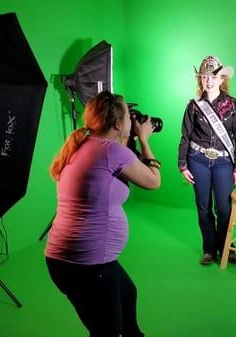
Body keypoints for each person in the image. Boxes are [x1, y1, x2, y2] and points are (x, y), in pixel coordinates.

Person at [45, 91, 160, 337]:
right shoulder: (111, 152)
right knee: (107, 332)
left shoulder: (83, 143)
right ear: (118, 124)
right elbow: (153, 181)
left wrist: (129, 138)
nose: (133, 121)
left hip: (70, 259)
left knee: (128, 294)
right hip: (86, 264)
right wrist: (144, 140)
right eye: (129, 116)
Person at [177, 55, 236, 265]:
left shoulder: (235, 105)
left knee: (224, 209)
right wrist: (182, 164)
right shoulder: (193, 106)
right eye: (205, 77)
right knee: (204, 207)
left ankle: (227, 247)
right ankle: (209, 249)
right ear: (201, 79)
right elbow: (185, 136)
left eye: (213, 77)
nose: (208, 80)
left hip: (224, 163)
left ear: (222, 79)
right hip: (197, 159)